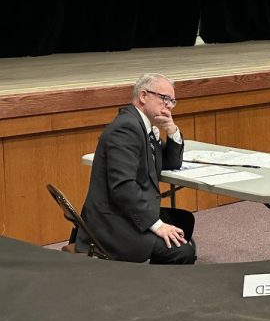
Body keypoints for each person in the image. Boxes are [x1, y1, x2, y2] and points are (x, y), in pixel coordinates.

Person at [76, 73, 196, 264]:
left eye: (173, 101)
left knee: (184, 220)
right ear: (143, 96)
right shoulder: (126, 129)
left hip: (127, 211)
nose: (169, 106)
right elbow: (123, 187)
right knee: (182, 252)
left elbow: (170, 163)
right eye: (165, 99)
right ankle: (149, 289)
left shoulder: (143, 125)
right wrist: (157, 226)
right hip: (113, 223)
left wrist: (172, 130)